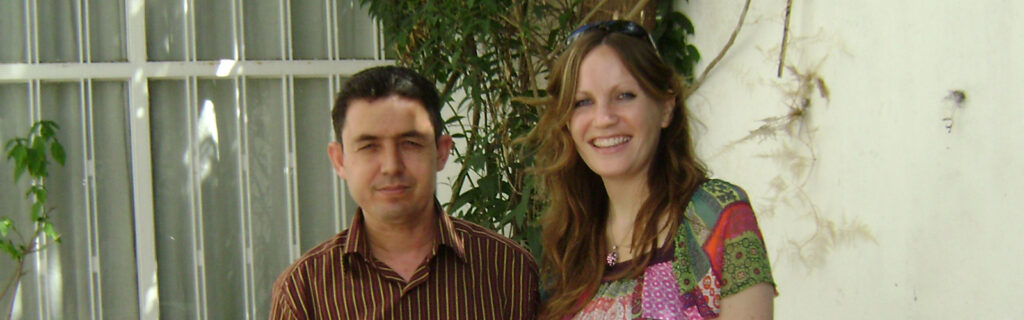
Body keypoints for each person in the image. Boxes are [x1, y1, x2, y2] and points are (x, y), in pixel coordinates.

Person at [525, 20, 776, 319]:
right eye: (583, 102)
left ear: (666, 108)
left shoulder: (714, 216)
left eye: (624, 96)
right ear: (567, 122)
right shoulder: (567, 249)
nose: (603, 118)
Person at [269, 66, 539, 319]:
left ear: (441, 152)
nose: (391, 166)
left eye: (410, 143)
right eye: (369, 146)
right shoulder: (304, 291)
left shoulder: (508, 270)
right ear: (339, 160)